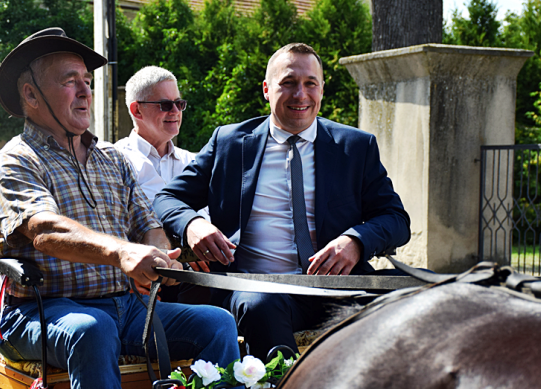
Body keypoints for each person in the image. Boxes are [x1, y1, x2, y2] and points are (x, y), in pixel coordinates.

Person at [0, 28, 239, 389]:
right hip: (39, 311)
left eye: (87, 79)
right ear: (30, 95)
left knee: (218, 324)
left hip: (124, 306)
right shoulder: (13, 161)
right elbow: (45, 230)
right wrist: (122, 253)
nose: (85, 90)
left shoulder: (110, 160)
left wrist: (157, 255)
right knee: (89, 330)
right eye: (69, 80)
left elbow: (149, 224)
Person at [154, 42, 411, 361]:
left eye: (310, 84)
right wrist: (192, 224)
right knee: (260, 303)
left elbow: (396, 220)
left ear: (321, 89)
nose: (300, 94)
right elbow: (168, 197)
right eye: (288, 83)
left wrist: (355, 241)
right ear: (266, 89)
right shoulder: (230, 144)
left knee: (427, 289)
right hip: (261, 291)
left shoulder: (356, 147)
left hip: (342, 287)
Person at [113, 65, 209, 303]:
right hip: (141, 283)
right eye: (166, 105)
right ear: (137, 110)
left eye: (180, 103)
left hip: (198, 281)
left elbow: (211, 216)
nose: (175, 111)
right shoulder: (113, 160)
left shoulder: (193, 162)